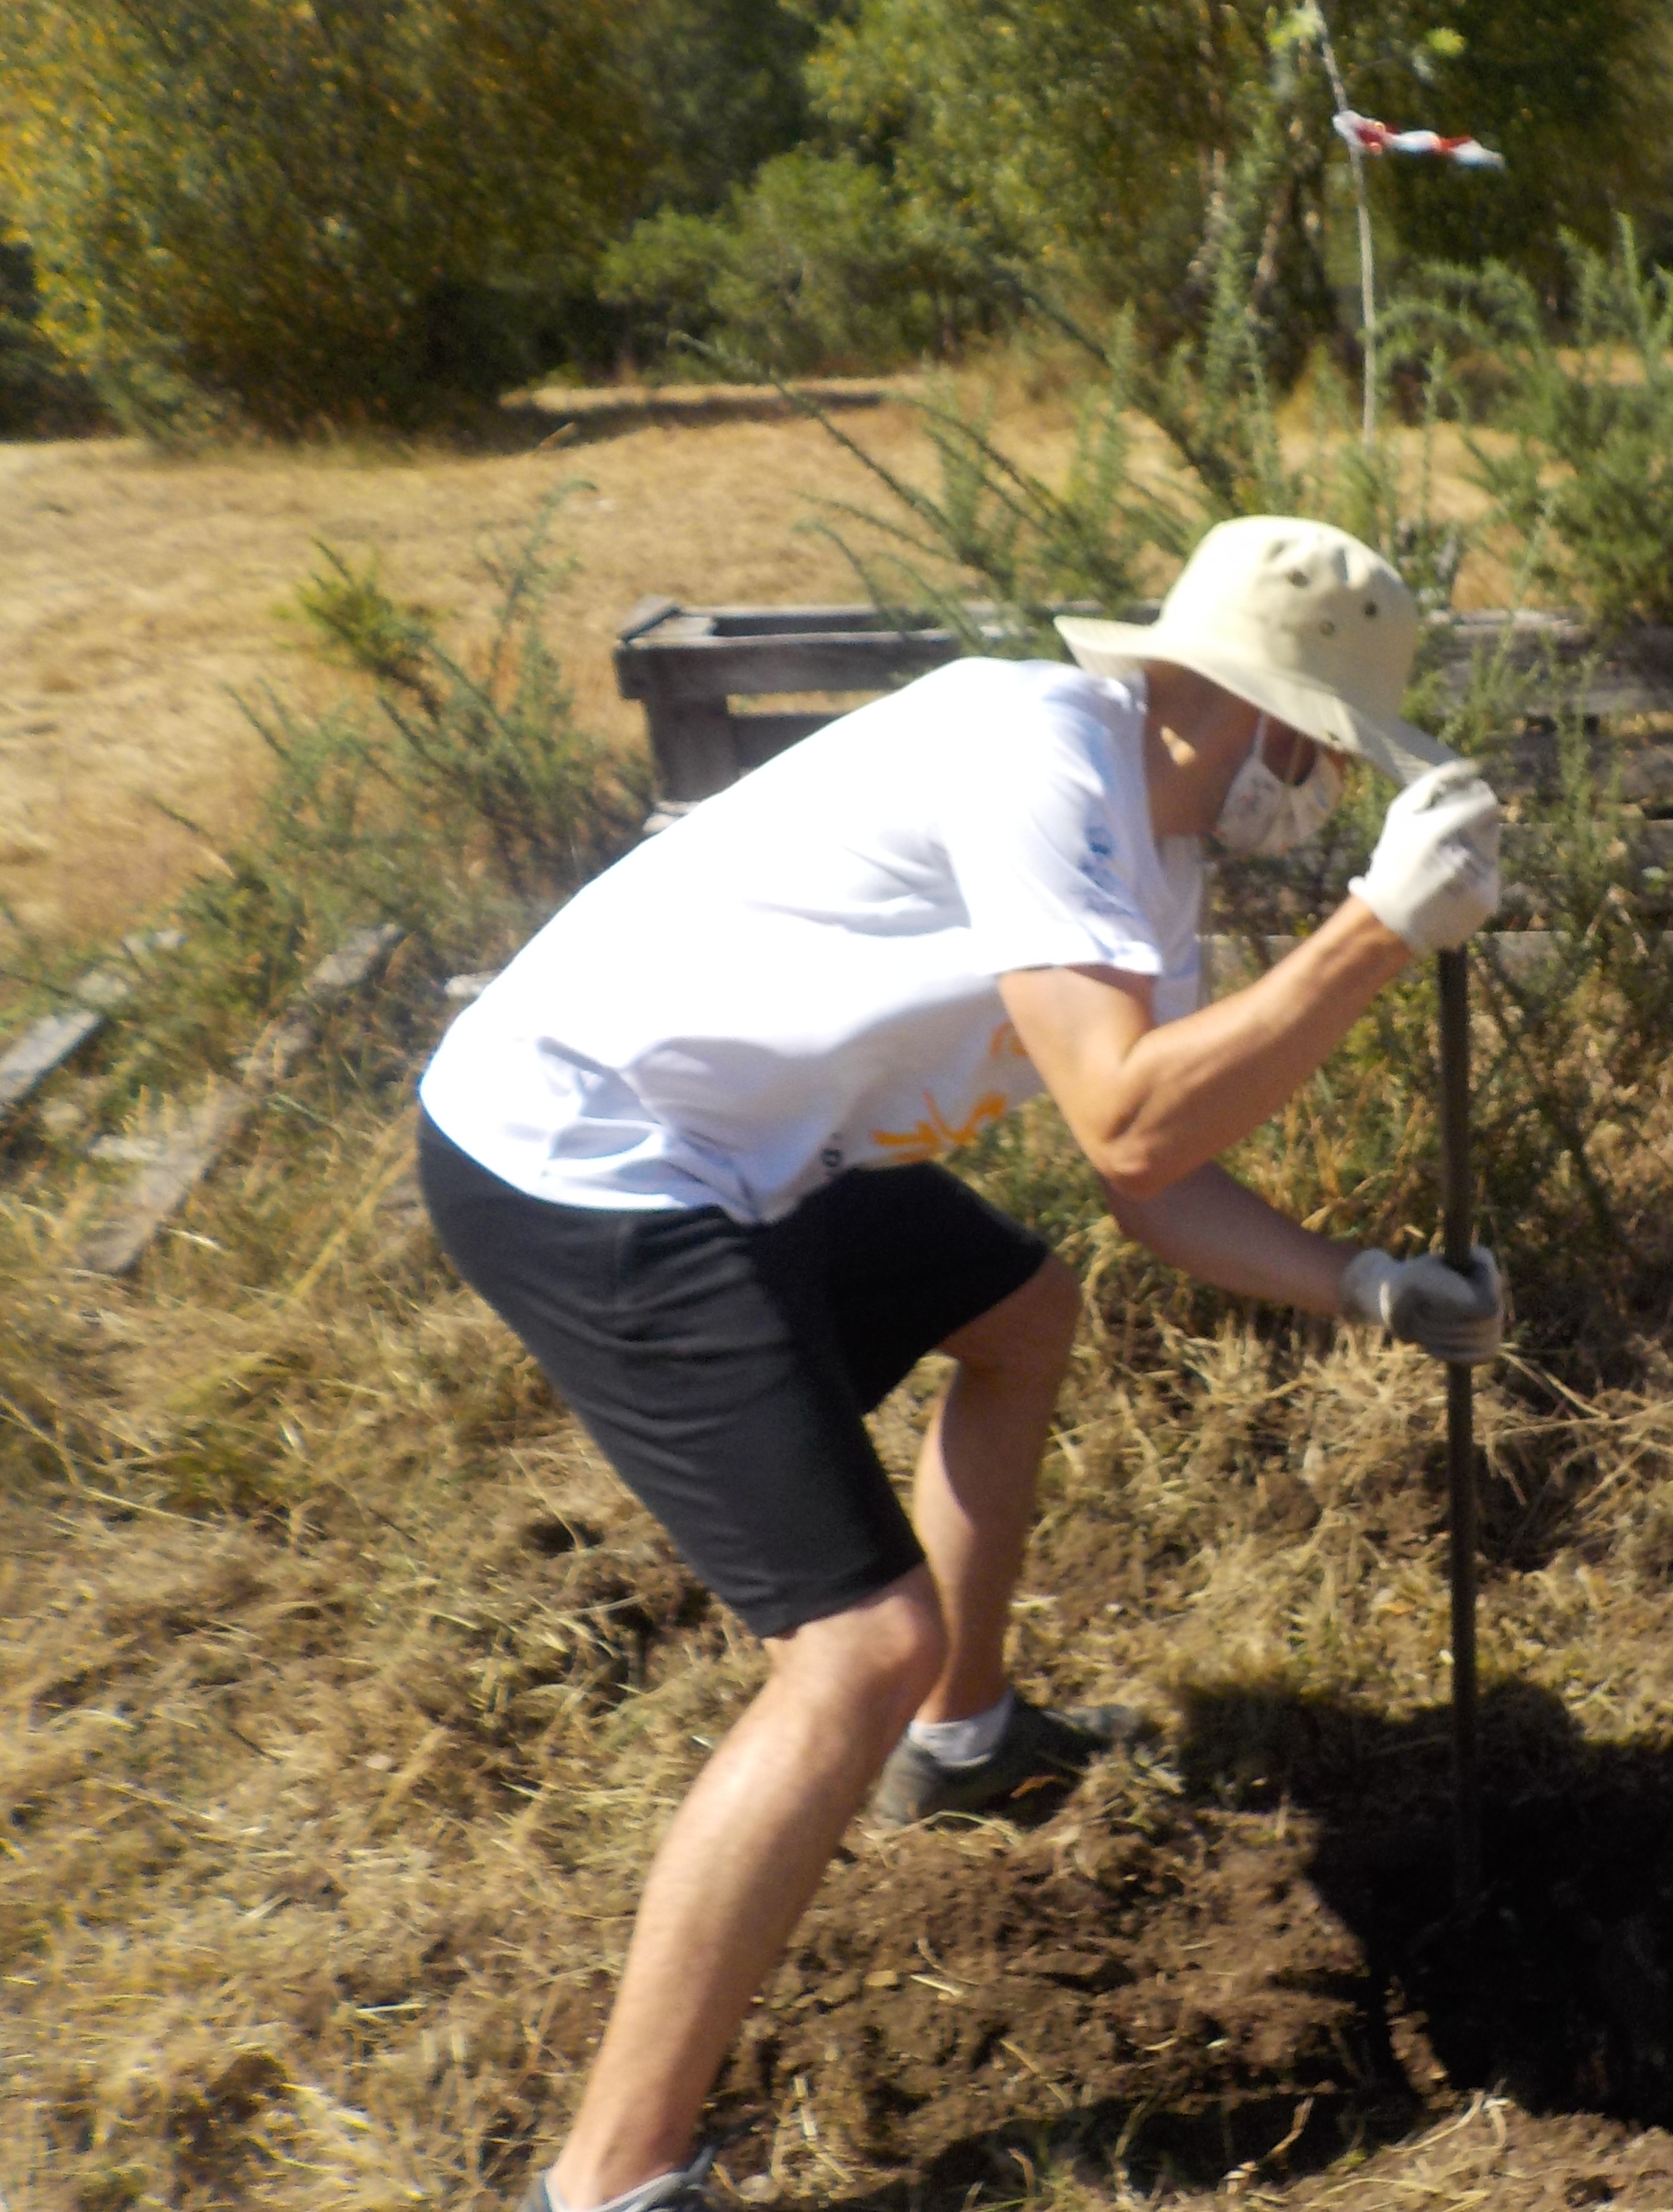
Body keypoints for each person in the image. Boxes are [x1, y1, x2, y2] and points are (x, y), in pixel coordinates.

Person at [416, 516, 1510, 2212]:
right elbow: (1128, 1110)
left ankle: (966, 1740)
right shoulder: (1029, 749)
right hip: (591, 1151)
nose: (1318, 802)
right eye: (1324, 756)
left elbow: (1153, 1183)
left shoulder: (1162, 874)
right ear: (1257, 714)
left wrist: (1361, 1286)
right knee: (852, 1645)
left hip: (760, 1152)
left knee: (1020, 1311)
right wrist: (1373, 932)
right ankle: (613, 2182)